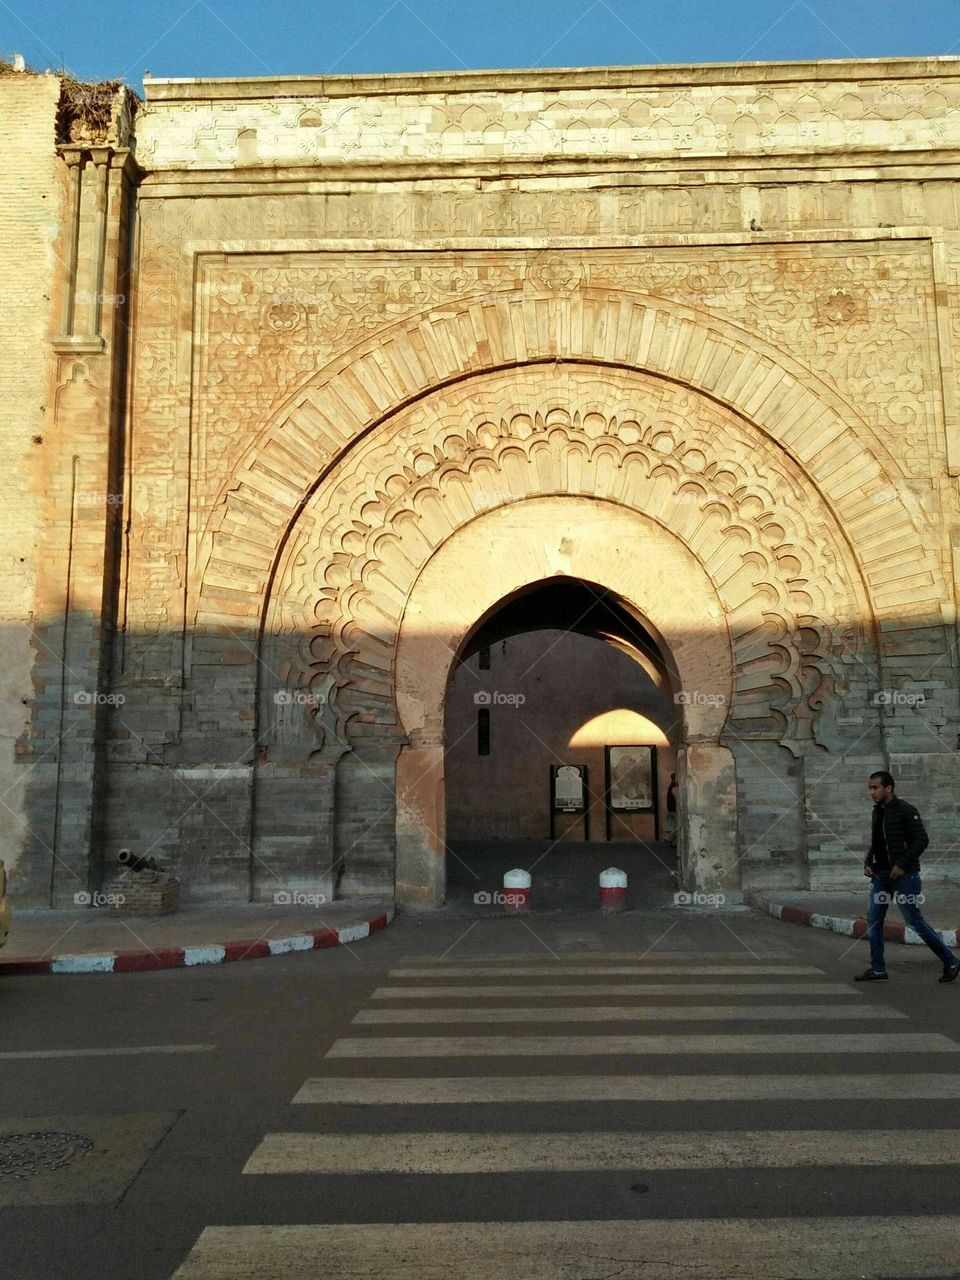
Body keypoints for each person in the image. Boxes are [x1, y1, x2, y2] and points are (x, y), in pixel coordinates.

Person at [856, 770, 960, 983]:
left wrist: (901, 865)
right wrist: (868, 862)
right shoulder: (877, 812)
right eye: (870, 788)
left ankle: (951, 961)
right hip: (880, 876)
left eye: (875, 788)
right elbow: (877, 842)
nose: (872, 793)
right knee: (874, 921)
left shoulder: (906, 810)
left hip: (906, 877)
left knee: (914, 920)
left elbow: (921, 840)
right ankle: (878, 969)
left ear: (888, 788)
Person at [664, 772, 678, 843]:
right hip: (674, 809)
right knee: (678, 825)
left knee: (674, 825)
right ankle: (669, 837)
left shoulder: (670, 786)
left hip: (670, 808)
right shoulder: (674, 787)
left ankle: (674, 843)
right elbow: (677, 798)